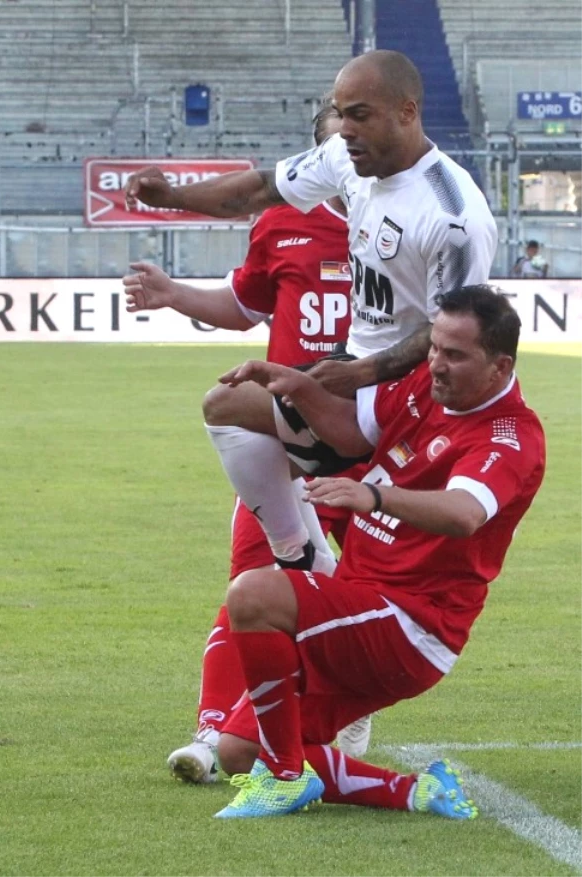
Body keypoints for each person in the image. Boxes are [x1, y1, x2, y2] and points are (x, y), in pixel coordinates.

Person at [124, 50, 498, 582]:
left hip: (408, 392)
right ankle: (301, 557)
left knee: (232, 411)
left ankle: (299, 554)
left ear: (407, 112)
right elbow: (256, 189)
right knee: (234, 413)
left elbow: (451, 331)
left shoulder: (453, 216)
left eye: (359, 115)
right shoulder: (346, 159)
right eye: (340, 114)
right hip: (358, 370)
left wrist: (361, 372)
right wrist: (172, 197)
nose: (344, 130)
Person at [205, 285, 544, 819]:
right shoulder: (421, 387)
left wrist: (373, 495)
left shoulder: (510, 435)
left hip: (411, 624)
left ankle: (286, 779)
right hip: (359, 600)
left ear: (500, 367)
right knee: (238, 751)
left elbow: (463, 513)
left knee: (254, 595)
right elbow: (348, 430)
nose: (436, 364)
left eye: (455, 355)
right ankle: (419, 791)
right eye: (434, 347)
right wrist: (299, 386)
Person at [122, 103, 370, 779]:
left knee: (374, 595)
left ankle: (338, 708)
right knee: (255, 587)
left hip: (380, 442)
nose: (348, 158)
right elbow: (245, 305)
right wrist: (174, 294)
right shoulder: (284, 221)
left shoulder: (404, 229)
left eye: (358, 143)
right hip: (287, 443)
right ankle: (214, 737)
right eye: (334, 149)